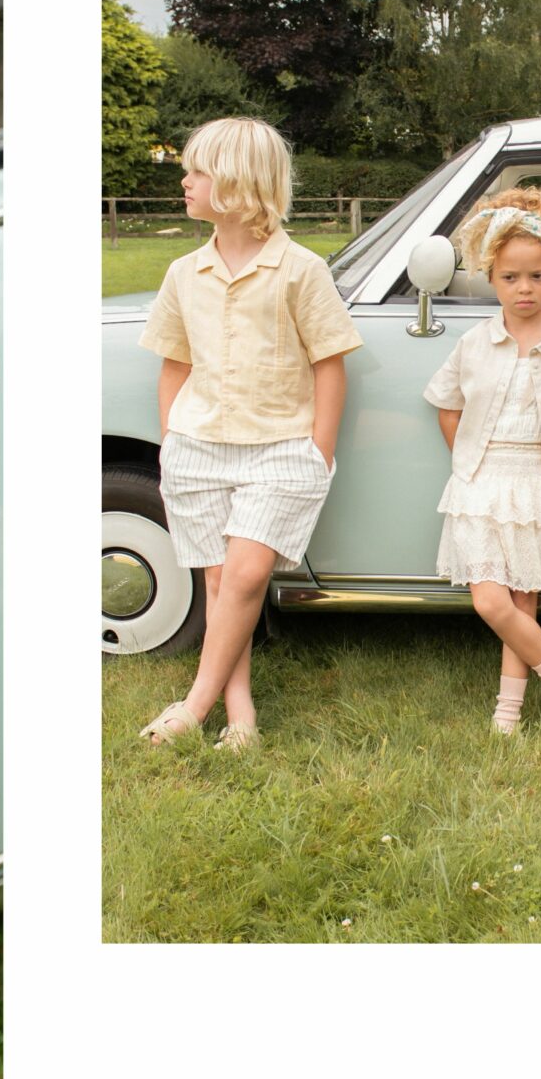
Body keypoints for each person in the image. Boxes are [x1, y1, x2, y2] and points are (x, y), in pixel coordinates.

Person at [136, 117, 362, 751]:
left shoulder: (299, 270)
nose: (184, 181)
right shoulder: (185, 272)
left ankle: (192, 706)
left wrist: (318, 452)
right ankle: (242, 720)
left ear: (236, 184)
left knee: (245, 576)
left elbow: (329, 363)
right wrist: (172, 437)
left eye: (197, 171)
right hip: (197, 448)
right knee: (217, 585)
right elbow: (174, 364)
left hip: (282, 449)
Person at [425, 190, 541, 733]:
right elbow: (448, 406)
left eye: (535, 276)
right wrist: (469, 468)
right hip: (482, 480)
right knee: (491, 600)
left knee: (521, 605)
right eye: (510, 278)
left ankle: (508, 711)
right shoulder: (477, 342)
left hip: (537, 482)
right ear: (492, 279)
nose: (524, 288)